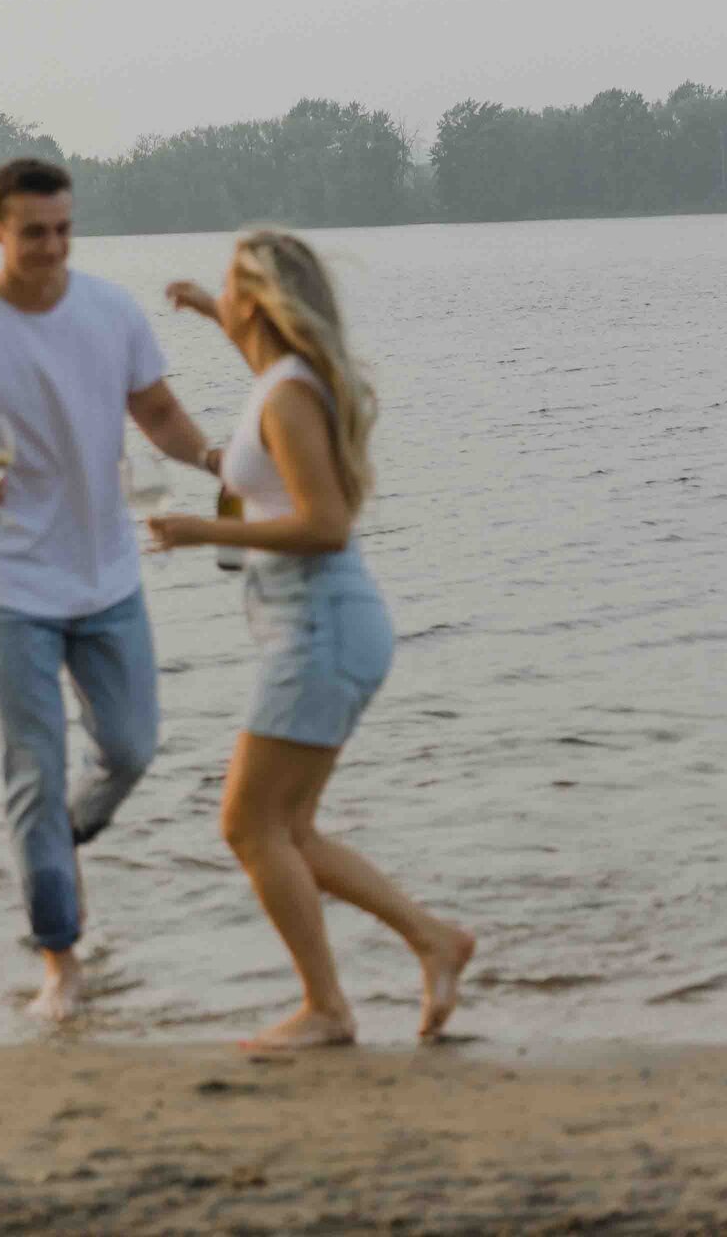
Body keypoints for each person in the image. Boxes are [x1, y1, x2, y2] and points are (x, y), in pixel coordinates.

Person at [0, 158, 219, 1021]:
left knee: (134, 747)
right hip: (9, 583)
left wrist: (220, 459)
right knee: (33, 772)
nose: (53, 246)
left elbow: (156, 415)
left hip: (108, 574)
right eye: (35, 231)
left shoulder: (111, 312)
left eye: (65, 229)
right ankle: (59, 959)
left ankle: (59, 843)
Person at [153, 229, 474, 1050]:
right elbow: (264, 371)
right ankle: (434, 940)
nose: (225, 305)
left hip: (320, 629)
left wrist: (196, 530)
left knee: (247, 827)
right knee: (287, 831)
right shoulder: (280, 379)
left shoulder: (291, 393)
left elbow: (328, 525)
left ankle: (326, 1008)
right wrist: (204, 311)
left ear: (260, 303)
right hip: (325, 626)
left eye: (233, 293)